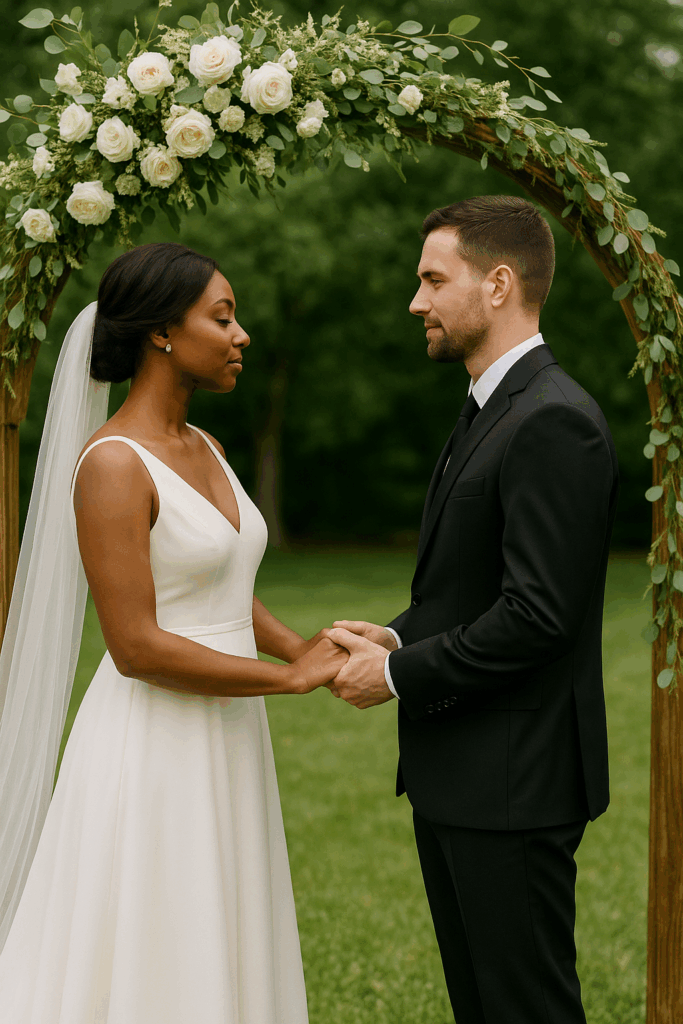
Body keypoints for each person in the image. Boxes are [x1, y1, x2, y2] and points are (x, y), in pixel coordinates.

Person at [0, 242, 345, 1023]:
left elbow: (221, 587)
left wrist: (302, 646)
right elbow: (135, 645)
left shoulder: (209, 450)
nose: (241, 335)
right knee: (159, 927)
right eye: (222, 317)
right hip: (151, 741)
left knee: (223, 910)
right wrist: (287, 679)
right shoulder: (113, 465)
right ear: (161, 331)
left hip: (226, 727)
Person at [327, 195, 619, 1024]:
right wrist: (393, 632)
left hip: (515, 782)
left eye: (430, 279)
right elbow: (469, 589)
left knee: (525, 1009)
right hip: (464, 775)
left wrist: (392, 673)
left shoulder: (554, 420)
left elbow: (536, 616)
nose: (414, 301)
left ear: (497, 284)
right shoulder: (489, 408)